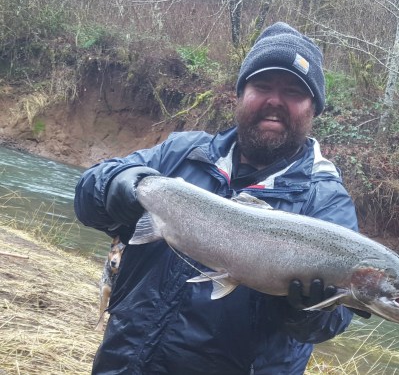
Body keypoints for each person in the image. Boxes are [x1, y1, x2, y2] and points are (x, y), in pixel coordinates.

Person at [75, 22, 369, 375]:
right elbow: (87, 198)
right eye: (262, 85)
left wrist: (310, 309)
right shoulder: (180, 153)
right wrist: (118, 184)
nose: (275, 100)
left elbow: (331, 324)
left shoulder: (325, 201)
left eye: (293, 91)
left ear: (313, 109)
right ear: (241, 94)